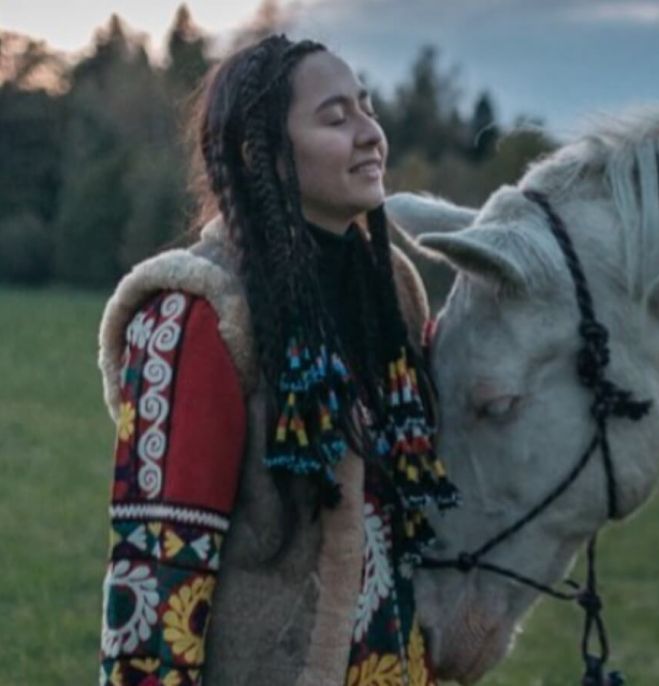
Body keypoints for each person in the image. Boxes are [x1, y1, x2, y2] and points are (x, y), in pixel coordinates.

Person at [96, 34, 457, 684]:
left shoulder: (391, 291)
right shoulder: (196, 310)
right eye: (335, 117)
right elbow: (158, 568)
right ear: (260, 153)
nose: (371, 134)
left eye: (366, 107)